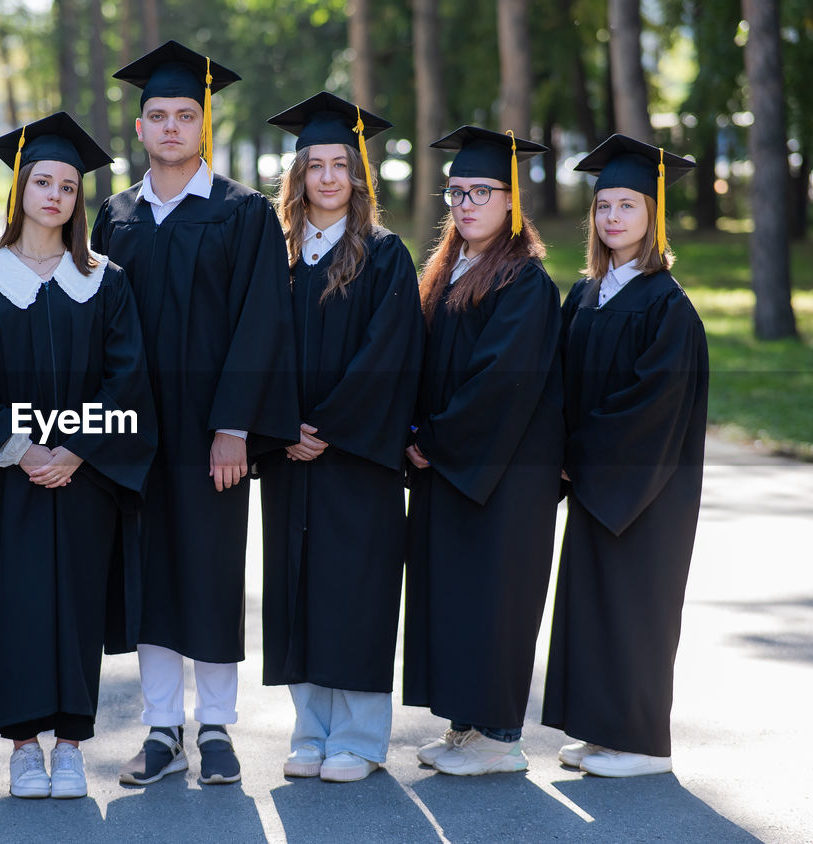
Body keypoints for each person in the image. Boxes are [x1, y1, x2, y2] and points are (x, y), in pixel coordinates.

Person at [92, 40, 300, 787]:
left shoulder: (242, 213)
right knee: (146, 574)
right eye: (159, 115)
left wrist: (234, 426)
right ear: (140, 127)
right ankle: (159, 728)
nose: (172, 127)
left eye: (186, 115)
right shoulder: (115, 215)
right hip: (136, 431)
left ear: (203, 124)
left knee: (211, 571)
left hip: (214, 429)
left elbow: (260, 321)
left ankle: (215, 727)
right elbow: (93, 323)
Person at [0, 112, 157, 799]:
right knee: (17, 604)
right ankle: (25, 748)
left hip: (81, 476)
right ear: (21, 190)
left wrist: (79, 450)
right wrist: (23, 447)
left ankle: (71, 746)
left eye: (67, 185)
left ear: (77, 199)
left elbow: (127, 377)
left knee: (78, 606)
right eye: (43, 182)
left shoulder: (104, 279)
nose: (55, 195)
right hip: (11, 475)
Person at [259, 92, 424, 783]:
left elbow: (390, 353)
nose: (328, 178)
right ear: (296, 177)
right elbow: (255, 345)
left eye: (341, 165)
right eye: (315, 165)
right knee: (298, 586)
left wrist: (322, 427)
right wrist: (279, 424)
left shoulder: (385, 256)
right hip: (292, 454)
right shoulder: (276, 253)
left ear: (359, 177)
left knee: (354, 588)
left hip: (356, 457)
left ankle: (357, 737)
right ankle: (310, 731)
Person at [542, 135, 706, 778]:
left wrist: (576, 454)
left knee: (637, 605)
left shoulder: (668, 305)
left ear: (653, 215)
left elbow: (652, 408)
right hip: (593, 481)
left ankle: (642, 744)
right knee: (592, 601)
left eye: (627, 206)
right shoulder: (587, 295)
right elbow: (555, 381)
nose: (612, 218)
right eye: (603, 206)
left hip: (646, 487)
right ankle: (602, 731)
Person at [403, 126, 564, 776]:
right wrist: (411, 432)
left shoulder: (525, 284)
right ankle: (465, 727)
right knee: (455, 595)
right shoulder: (448, 272)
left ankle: (501, 736)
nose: (465, 203)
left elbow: (501, 382)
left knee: (494, 597)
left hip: (502, 478)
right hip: (452, 468)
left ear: (512, 200)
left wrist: (432, 438)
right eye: (456, 191)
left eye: (482, 191)